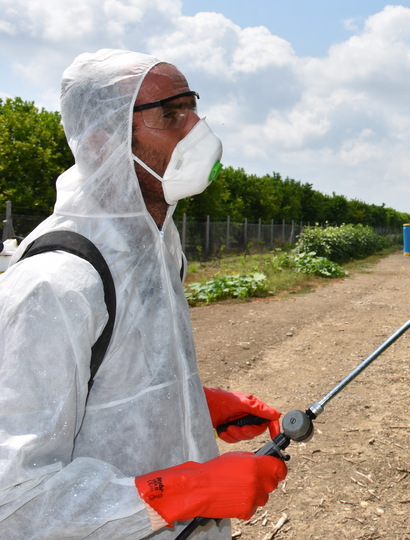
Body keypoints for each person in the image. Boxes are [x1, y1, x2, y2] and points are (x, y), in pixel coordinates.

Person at [0, 49, 286, 539]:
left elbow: (109, 387)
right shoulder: (57, 282)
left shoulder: (158, 244)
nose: (198, 131)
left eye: (194, 110)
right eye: (171, 114)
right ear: (99, 144)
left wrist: (191, 402)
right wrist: (187, 493)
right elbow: (15, 500)